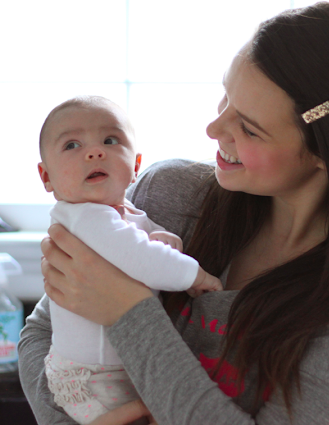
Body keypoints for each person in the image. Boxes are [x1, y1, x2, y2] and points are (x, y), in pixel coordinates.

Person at [19, 3, 329, 424]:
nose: (214, 129)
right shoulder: (169, 194)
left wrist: (130, 313)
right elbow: (43, 332)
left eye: (249, 128)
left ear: (326, 153)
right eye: (226, 96)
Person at [35, 96, 223, 424]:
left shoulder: (129, 215)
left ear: (136, 166)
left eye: (110, 140)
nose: (95, 152)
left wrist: (165, 240)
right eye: (72, 145)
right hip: (92, 378)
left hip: (114, 369)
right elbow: (140, 258)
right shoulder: (83, 216)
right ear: (46, 177)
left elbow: (147, 245)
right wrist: (195, 275)